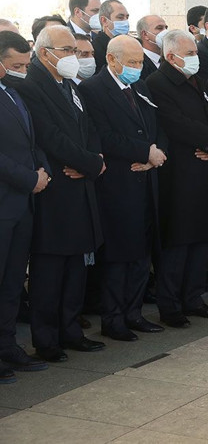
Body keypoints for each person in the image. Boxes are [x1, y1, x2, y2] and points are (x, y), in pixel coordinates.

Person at [17, 25, 106, 361]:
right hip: (56, 191)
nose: (74, 56)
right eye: (67, 50)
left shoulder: (69, 84)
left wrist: (94, 161)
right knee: (50, 270)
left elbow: (89, 128)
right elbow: (50, 137)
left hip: (81, 184)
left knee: (75, 267)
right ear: (45, 53)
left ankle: (70, 330)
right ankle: (46, 339)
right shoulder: (32, 86)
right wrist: (90, 163)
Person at [78, 36, 167, 341]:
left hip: (146, 180)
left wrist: (156, 154)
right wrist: (144, 152)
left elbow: (157, 125)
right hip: (117, 184)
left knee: (142, 253)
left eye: (140, 61)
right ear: (111, 59)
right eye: (131, 62)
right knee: (118, 256)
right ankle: (113, 318)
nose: (137, 67)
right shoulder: (92, 89)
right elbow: (102, 136)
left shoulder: (139, 86)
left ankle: (134, 313)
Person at [146, 29, 208, 328]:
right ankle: (170, 305)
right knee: (179, 241)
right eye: (190, 53)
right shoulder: (158, 83)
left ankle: (193, 298)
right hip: (181, 172)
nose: (196, 58)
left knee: (202, 237)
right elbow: (176, 123)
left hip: (206, 167)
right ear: (171, 56)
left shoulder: (197, 80)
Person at [0, 31, 50, 380]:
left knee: (13, 281)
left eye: (26, 64)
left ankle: (7, 346)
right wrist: (29, 178)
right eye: (16, 65)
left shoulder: (13, 92)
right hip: (6, 201)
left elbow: (31, 142)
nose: (23, 71)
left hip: (21, 206)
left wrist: (41, 170)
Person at [92, 0, 130, 74]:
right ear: (104, 21)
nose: (125, 22)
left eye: (127, 17)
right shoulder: (95, 48)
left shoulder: (129, 45)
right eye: (120, 17)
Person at [136, 15, 168, 81]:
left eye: (166, 28)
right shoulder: (137, 62)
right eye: (159, 28)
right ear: (145, 34)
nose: (165, 32)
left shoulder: (169, 59)